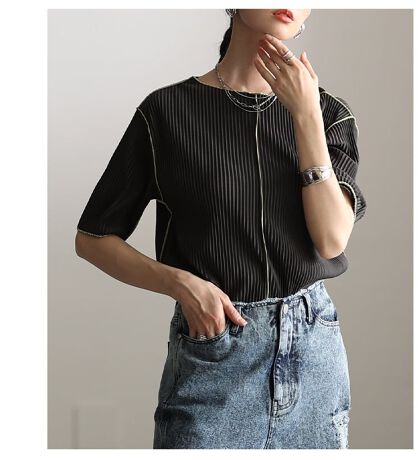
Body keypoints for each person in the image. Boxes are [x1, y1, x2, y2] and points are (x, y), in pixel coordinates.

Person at [75, 8, 367, 449]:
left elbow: (330, 239)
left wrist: (306, 114)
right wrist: (180, 283)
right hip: (215, 351)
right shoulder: (166, 113)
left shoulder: (330, 114)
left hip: (314, 355)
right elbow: (93, 238)